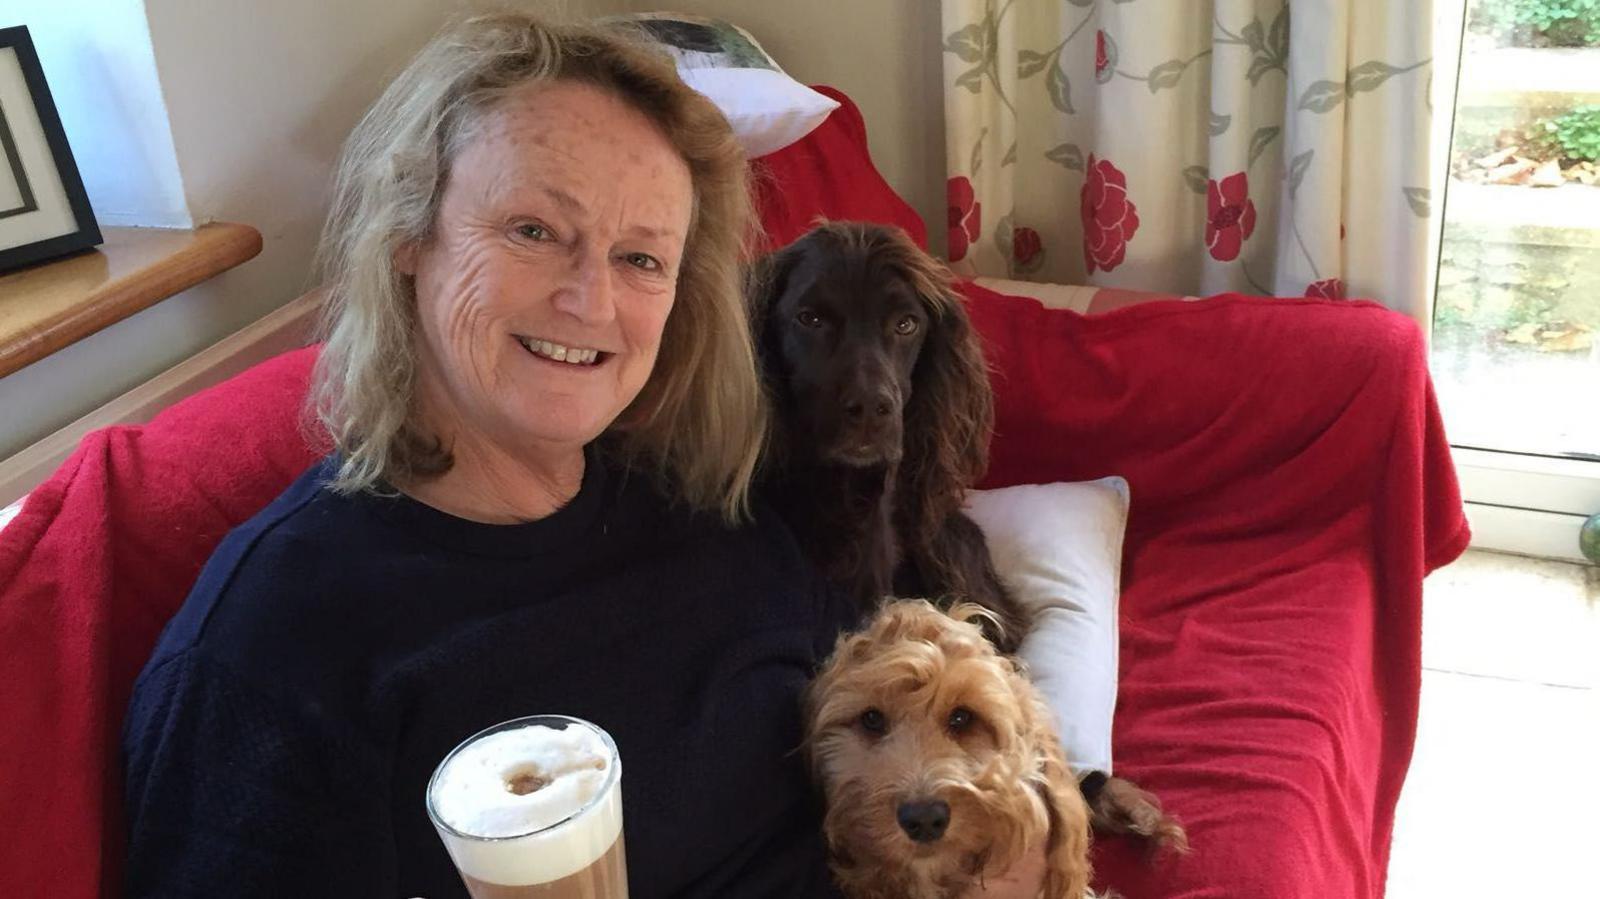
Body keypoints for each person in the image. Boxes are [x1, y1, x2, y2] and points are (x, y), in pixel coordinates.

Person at [121, 12, 1044, 898]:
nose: (589, 301)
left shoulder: (715, 509)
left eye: (642, 257)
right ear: (409, 235)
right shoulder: (271, 650)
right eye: (533, 230)